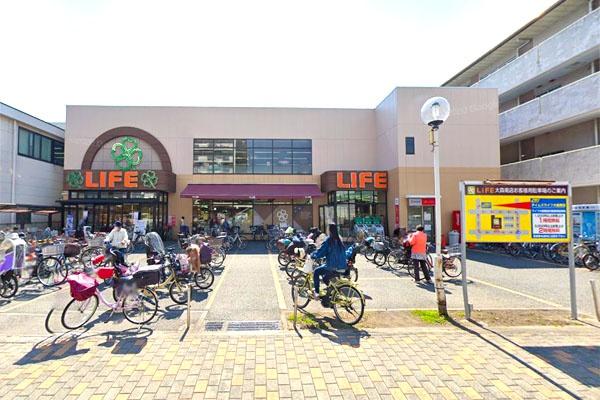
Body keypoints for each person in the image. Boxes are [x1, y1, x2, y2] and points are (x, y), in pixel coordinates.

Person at [310, 223, 347, 299]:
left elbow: (321, 252)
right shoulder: (339, 239)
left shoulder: (329, 240)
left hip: (332, 266)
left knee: (316, 272)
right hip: (342, 266)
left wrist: (313, 255)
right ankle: (333, 291)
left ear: (329, 231)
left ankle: (317, 292)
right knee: (325, 278)